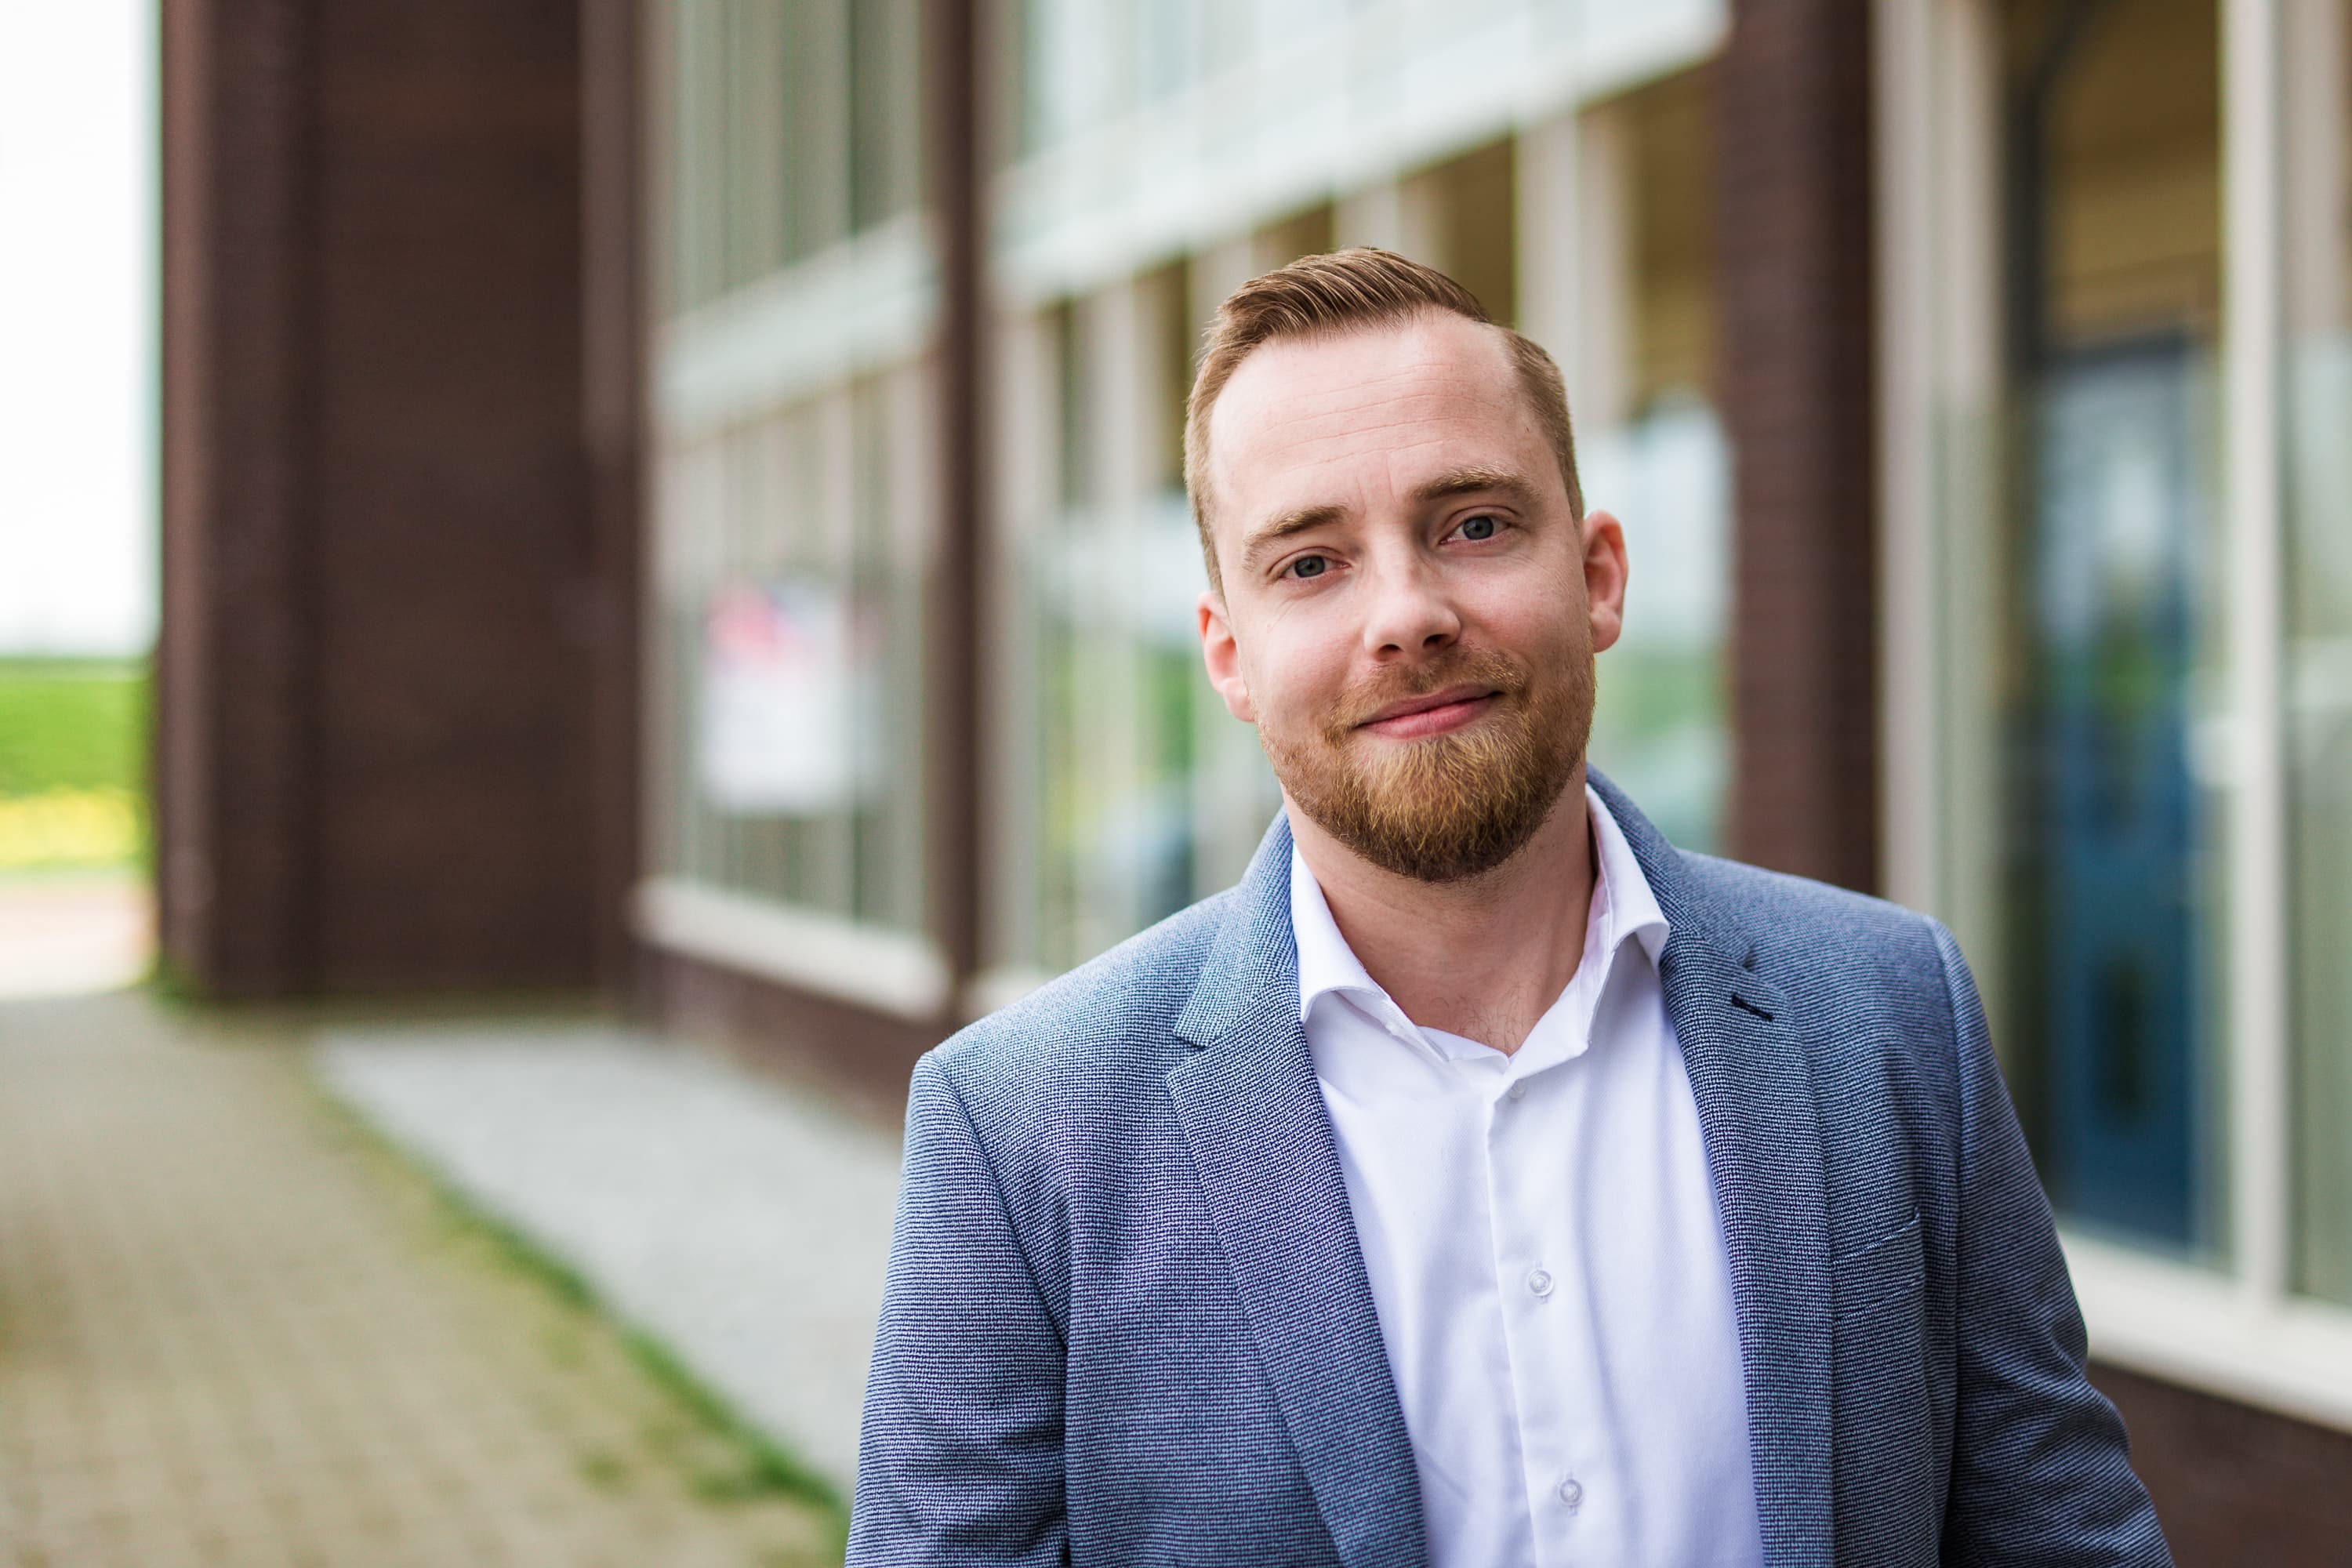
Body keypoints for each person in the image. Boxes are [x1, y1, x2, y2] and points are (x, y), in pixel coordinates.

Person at [847, 249, 2172, 1568]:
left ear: (1597, 574)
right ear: (1231, 653)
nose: (1408, 615)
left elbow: (2063, 1533)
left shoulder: (1890, 1013)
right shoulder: (1018, 1129)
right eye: (1311, 563)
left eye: (1473, 526)